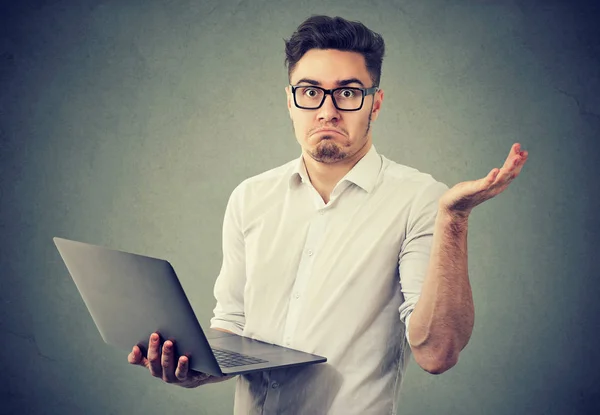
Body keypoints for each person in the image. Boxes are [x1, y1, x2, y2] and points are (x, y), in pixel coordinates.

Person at [128, 15, 529, 414]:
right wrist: (193, 369)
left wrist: (455, 218)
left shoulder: (420, 199)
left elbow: (437, 353)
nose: (327, 111)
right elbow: (232, 329)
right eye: (310, 92)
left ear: (375, 103)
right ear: (290, 101)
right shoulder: (249, 197)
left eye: (348, 93)